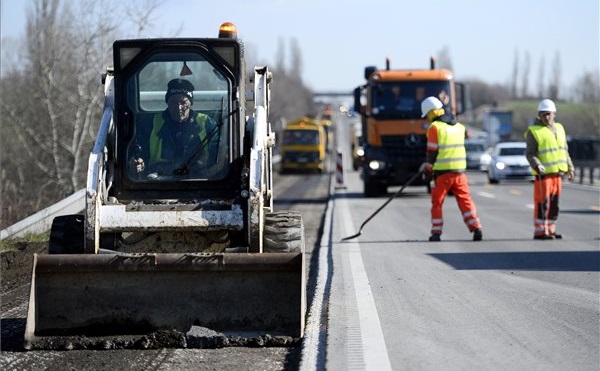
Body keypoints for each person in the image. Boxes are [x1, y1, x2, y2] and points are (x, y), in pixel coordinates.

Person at [130, 78, 221, 178]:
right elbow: (139, 153)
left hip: (197, 180)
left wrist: (212, 172)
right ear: (167, 103)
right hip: (158, 181)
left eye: (183, 102)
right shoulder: (151, 124)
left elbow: (218, 153)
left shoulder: (206, 123)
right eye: (173, 102)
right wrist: (138, 164)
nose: (179, 107)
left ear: (190, 103)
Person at [420, 96, 482, 242]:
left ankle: (436, 232)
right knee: (465, 200)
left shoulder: (435, 128)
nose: (428, 119)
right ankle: (476, 227)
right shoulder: (459, 127)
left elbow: (432, 152)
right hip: (460, 172)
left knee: (437, 202)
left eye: (428, 115)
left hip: (442, 174)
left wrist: (428, 169)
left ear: (432, 112)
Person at [524, 99, 574, 240]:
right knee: (542, 203)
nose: (547, 117)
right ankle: (540, 231)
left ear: (554, 114)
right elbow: (529, 153)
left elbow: (564, 150)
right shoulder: (534, 131)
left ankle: (551, 229)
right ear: (539, 115)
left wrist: (570, 167)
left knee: (554, 204)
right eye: (543, 114)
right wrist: (537, 164)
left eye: (549, 114)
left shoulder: (560, 128)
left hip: (558, 174)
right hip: (543, 175)